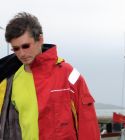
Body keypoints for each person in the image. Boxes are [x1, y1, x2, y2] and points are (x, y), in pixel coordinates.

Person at [0, 12, 100, 140]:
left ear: (40, 40)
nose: (22, 53)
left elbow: (88, 124)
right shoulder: (9, 82)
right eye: (16, 49)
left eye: (25, 46)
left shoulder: (69, 74)